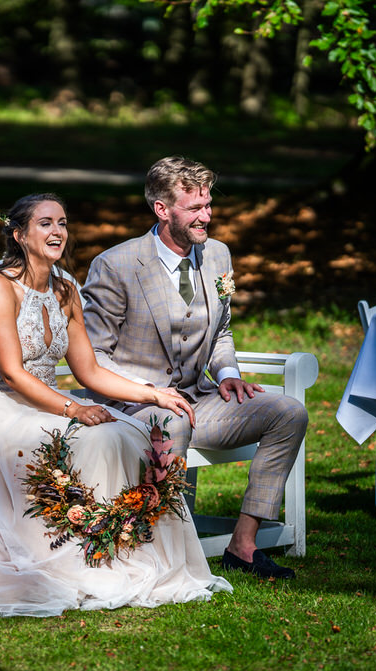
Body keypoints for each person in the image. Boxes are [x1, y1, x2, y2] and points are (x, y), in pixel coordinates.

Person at [0, 193, 231, 622]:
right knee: (96, 437)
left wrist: (151, 393)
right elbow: (11, 373)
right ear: (19, 234)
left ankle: (112, 552)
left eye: (62, 223)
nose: (57, 232)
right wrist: (74, 411)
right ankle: (73, 560)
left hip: (51, 402)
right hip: (6, 409)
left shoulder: (66, 289)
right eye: (45, 223)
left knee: (131, 433)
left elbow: (88, 370)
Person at [81, 156, 309, 580]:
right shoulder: (116, 265)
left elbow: (220, 330)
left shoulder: (218, 255)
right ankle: (167, 553)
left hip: (195, 400)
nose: (206, 217)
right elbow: (94, 355)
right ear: (162, 210)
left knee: (288, 412)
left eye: (208, 205)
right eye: (195, 208)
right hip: (131, 405)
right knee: (172, 423)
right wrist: (149, 392)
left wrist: (227, 374)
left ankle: (242, 546)